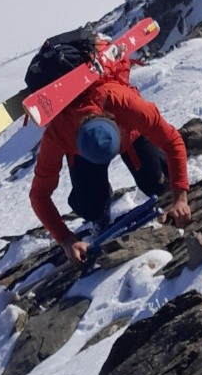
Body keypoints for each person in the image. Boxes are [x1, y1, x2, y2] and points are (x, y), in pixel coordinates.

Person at [29, 40, 191, 264]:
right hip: (84, 155)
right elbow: (39, 195)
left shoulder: (125, 103)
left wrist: (180, 197)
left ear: (113, 120)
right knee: (91, 208)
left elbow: (172, 140)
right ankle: (98, 205)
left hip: (130, 137)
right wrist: (66, 239)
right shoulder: (58, 133)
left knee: (155, 183)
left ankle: (156, 173)